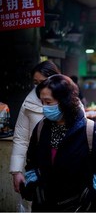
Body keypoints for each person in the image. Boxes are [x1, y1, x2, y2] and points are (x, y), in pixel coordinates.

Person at [21, 74, 96, 212]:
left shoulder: (91, 131)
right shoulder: (40, 128)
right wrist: (36, 190)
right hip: (45, 206)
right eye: (42, 102)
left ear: (64, 101)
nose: (44, 108)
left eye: (48, 102)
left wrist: (88, 201)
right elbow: (31, 163)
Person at [10, 60, 60, 193]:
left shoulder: (70, 100)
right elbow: (21, 138)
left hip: (66, 167)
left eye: (43, 82)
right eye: (36, 82)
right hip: (38, 169)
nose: (39, 87)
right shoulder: (29, 102)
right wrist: (16, 171)